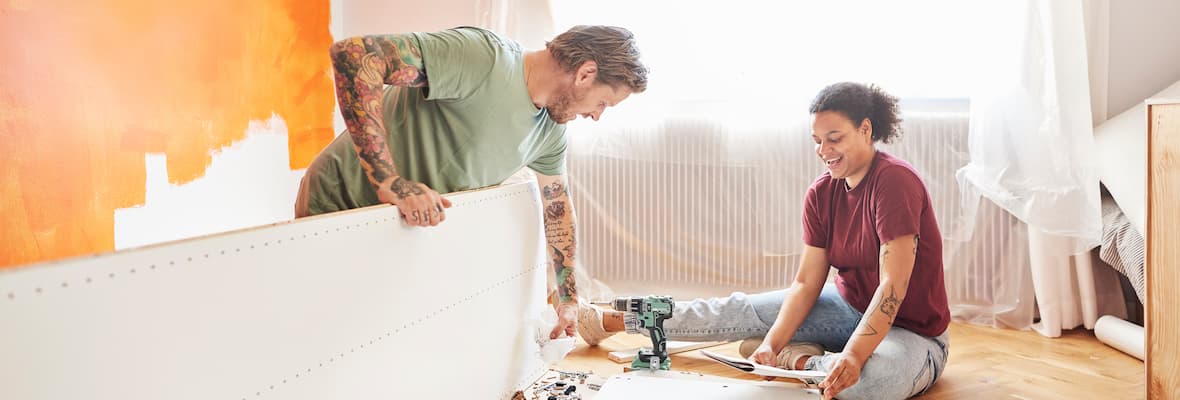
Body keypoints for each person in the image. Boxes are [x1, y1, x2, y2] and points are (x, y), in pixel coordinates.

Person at [578, 82, 949, 400]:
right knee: (739, 311)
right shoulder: (822, 193)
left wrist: (852, 356)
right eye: (817, 141)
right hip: (849, 306)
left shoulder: (895, 183)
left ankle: (802, 360)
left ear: (866, 130)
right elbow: (806, 283)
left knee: (871, 384)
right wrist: (770, 345)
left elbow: (893, 285)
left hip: (913, 330)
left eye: (834, 139)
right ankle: (611, 319)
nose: (823, 151)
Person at [296, 25, 648, 339]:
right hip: (340, 202)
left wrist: (568, 299)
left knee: (373, 332)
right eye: (603, 102)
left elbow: (557, 209)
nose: (597, 116)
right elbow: (356, 56)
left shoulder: (551, 130)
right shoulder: (484, 57)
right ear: (586, 73)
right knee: (324, 331)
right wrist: (389, 181)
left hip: (397, 225)